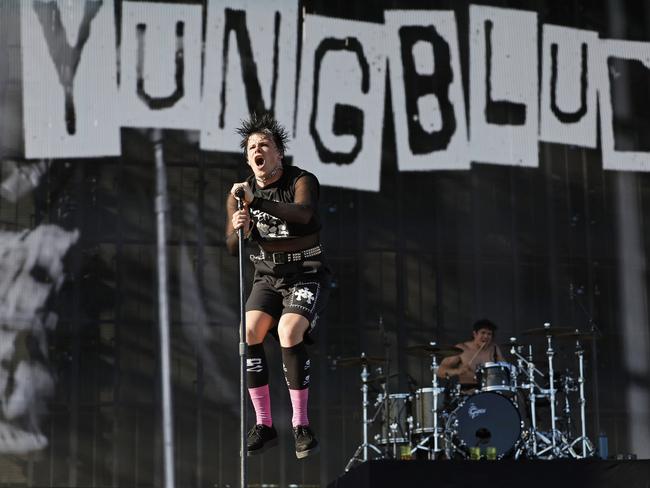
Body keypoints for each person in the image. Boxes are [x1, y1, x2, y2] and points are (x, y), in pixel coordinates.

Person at [225, 112, 331, 459]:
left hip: (306, 272)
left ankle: (301, 425)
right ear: (247, 158)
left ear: (278, 154)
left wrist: (259, 204)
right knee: (249, 331)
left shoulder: (301, 179)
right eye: (252, 147)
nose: (258, 150)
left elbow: (305, 216)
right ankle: (265, 425)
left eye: (264, 145)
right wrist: (238, 225)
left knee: (288, 332)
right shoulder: (241, 193)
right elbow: (230, 246)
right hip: (267, 275)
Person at [437, 319, 504, 389]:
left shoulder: (494, 348)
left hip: (489, 390)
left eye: (489, 334)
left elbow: (504, 369)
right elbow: (440, 371)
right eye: (483, 333)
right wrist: (458, 371)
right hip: (468, 391)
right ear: (475, 334)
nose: (486, 336)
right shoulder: (461, 348)